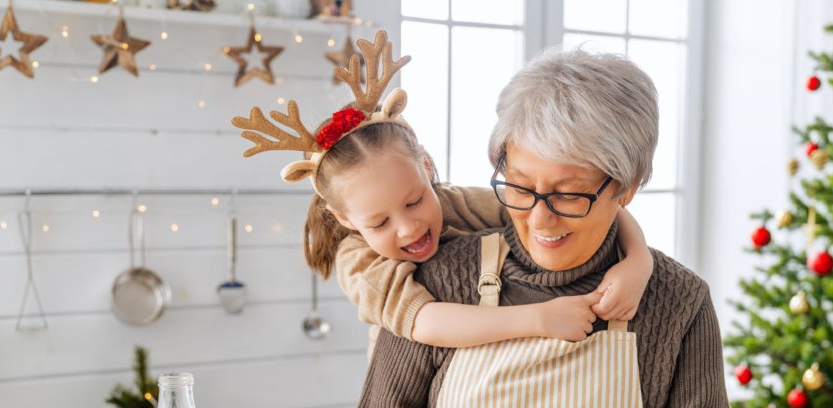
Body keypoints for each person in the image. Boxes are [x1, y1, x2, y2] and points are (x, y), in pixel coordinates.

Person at [334, 46, 744, 408]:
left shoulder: (675, 301)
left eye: (570, 195)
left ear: (627, 187)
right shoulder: (441, 278)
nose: (541, 218)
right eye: (521, 188)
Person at [233, 30, 654, 352]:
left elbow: (585, 205)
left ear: (428, 169)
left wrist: (638, 262)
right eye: (378, 222)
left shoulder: (454, 203)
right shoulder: (359, 260)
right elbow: (425, 323)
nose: (407, 227)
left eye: (414, 200)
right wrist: (541, 318)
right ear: (344, 219)